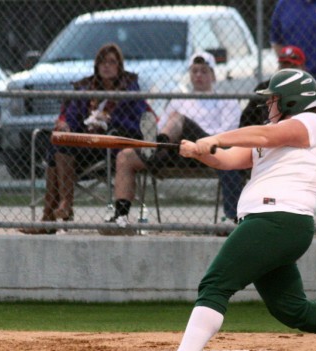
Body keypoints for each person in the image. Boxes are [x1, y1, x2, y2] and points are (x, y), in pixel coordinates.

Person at [143, 69, 316, 351]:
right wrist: (199, 152)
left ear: (292, 101)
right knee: (291, 308)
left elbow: (262, 136)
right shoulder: (275, 131)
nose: (269, 105)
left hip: (275, 220)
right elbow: (228, 159)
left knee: (216, 284)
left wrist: (216, 138)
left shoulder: (310, 123)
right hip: (279, 226)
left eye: (274, 99)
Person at [102, 52, 243, 228]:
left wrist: (195, 135)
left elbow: (227, 135)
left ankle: (160, 144)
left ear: (213, 75)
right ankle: (120, 217)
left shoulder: (226, 101)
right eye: (195, 71)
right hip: (175, 151)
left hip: (207, 151)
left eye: (204, 71)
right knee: (124, 157)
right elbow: (162, 127)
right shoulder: (179, 99)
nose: (198, 75)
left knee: (179, 120)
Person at [20, 43, 147, 235]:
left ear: (119, 66)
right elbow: (72, 116)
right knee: (58, 143)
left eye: (112, 62)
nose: (106, 66)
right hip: (85, 145)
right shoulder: (86, 88)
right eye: (102, 62)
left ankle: (50, 217)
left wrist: (110, 120)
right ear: (97, 65)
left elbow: (135, 122)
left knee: (57, 151)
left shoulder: (129, 88)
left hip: (112, 146)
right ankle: (62, 206)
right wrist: (66, 126)